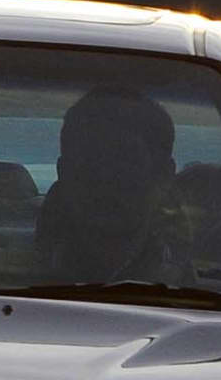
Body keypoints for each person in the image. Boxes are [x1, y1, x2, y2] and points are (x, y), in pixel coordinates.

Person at [33, 89, 181, 286]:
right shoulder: (0, 278)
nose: (106, 178)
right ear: (64, 171)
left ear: (163, 176)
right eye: (91, 161)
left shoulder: (209, 287)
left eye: (125, 162)